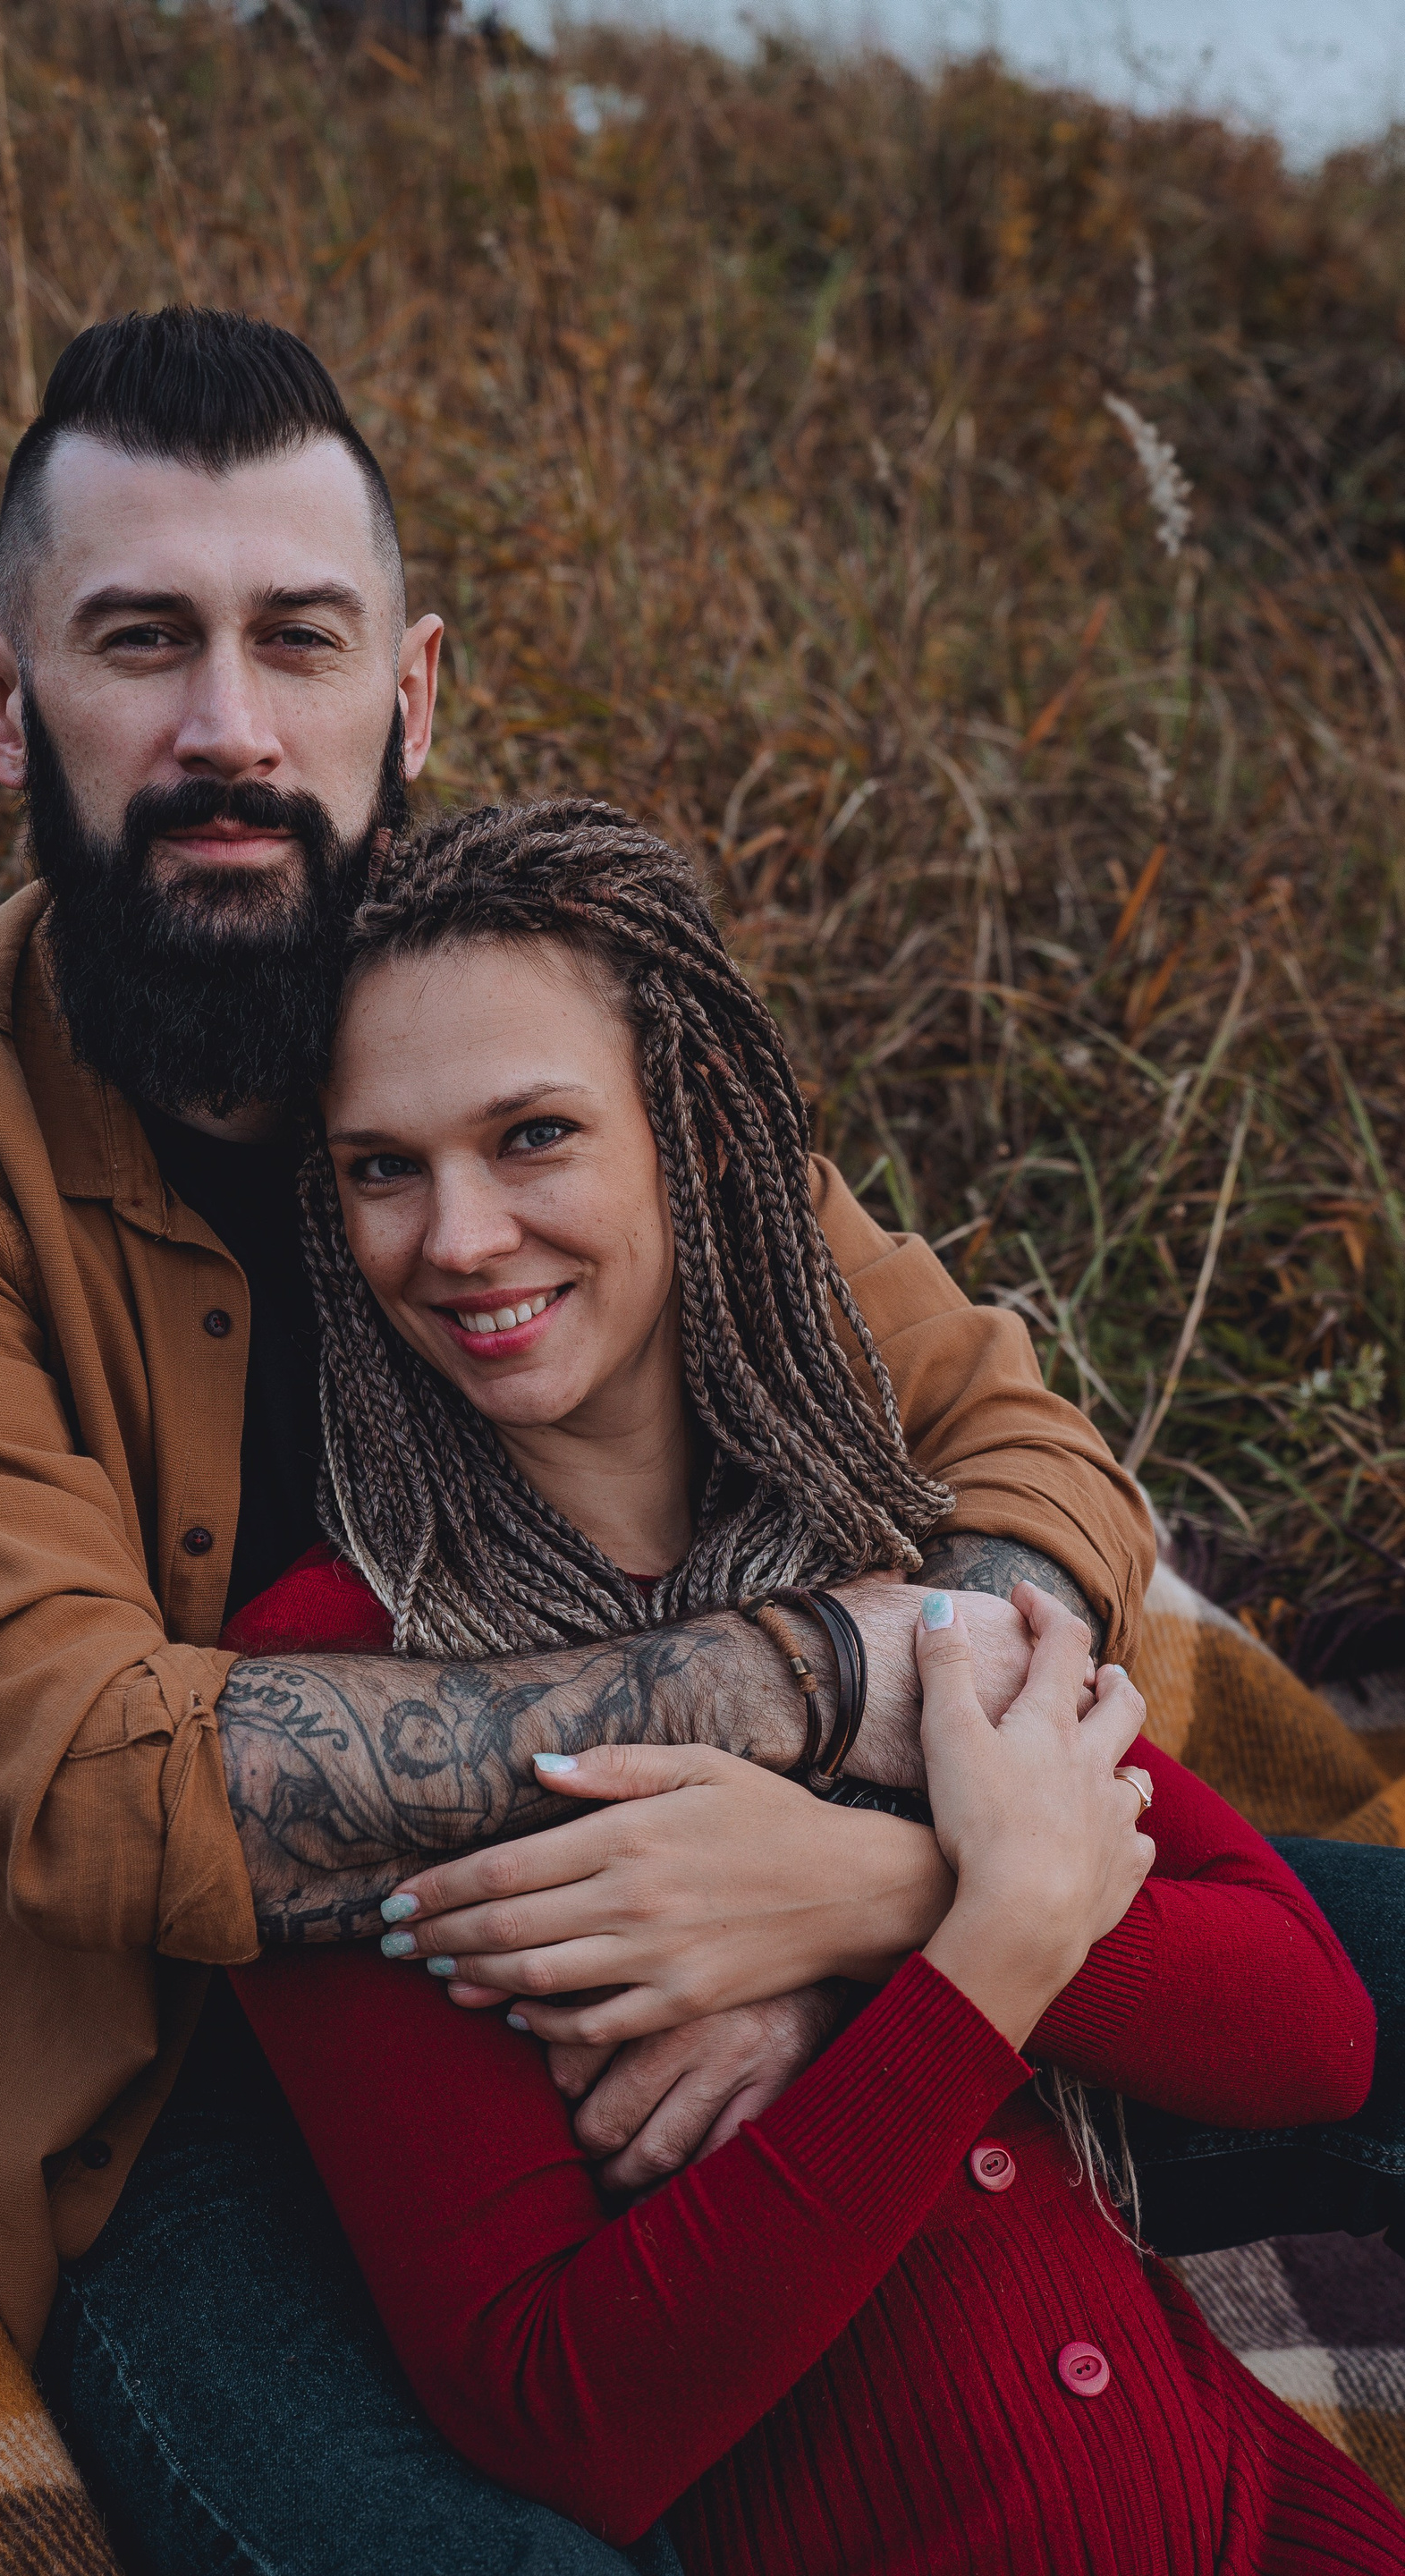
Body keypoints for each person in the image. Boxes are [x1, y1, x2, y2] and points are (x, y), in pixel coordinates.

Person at [0, 307, 1396, 2572]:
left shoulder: (521, 1012)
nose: (228, 727)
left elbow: (1015, 1440)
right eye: (141, 639)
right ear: (6, 698)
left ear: (407, 694)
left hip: (786, 1864)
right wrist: (829, 1687)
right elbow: (84, 1786)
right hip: (183, 2089)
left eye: (299, 639)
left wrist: (861, 1897)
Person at [224, 797, 1404, 2571]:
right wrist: (988, 1955)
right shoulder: (342, 1688)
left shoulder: (885, 1553)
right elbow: (558, 2406)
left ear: (697, 1130)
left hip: (1258, 2514)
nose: (456, 1235)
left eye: (534, 1135)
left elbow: (1312, 2032)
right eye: (383, 1166)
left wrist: (871, 1901)